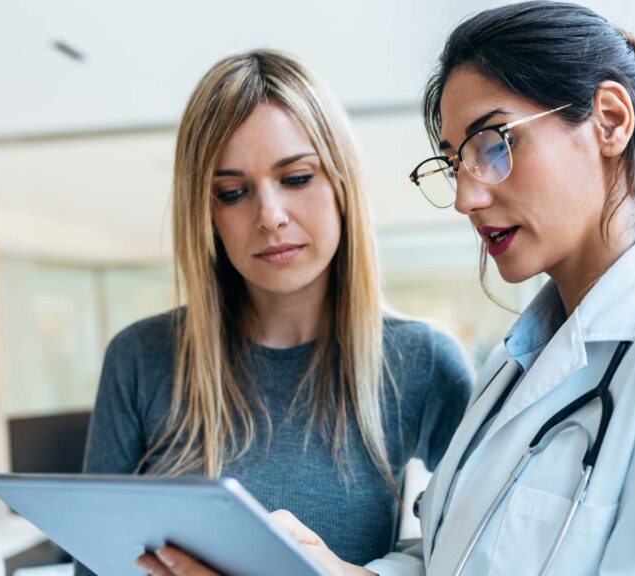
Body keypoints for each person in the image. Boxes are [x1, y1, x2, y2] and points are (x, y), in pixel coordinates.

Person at [136, 3, 635, 575]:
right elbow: (447, 561)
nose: (464, 195)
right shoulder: (515, 370)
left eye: (494, 143)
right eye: (454, 160)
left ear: (609, 121)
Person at [77, 49, 474, 575]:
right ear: (206, 211)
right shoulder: (141, 359)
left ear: (341, 185)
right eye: (233, 192)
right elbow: (94, 565)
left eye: (297, 178)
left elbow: (481, 554)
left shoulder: (421, 362)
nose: (269, 217)